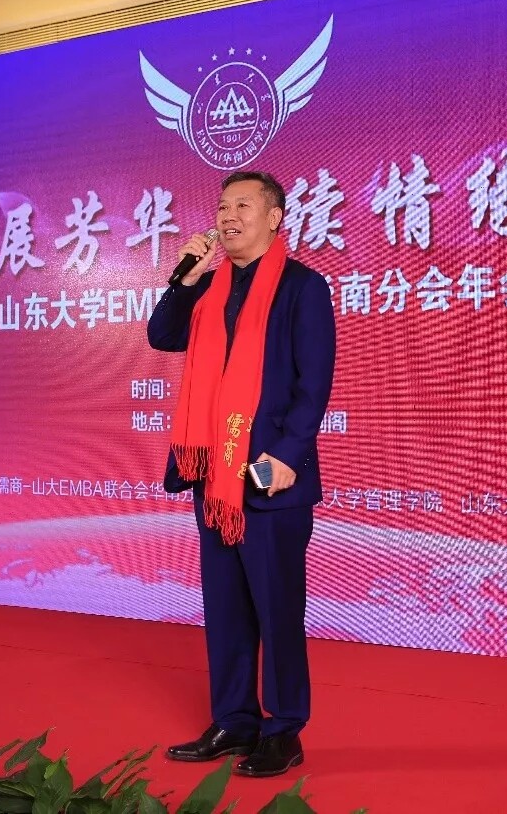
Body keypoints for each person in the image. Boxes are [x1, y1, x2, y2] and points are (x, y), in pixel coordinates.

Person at [147, 171, 335, 778]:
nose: (228, 216)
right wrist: (185, 279)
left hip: (267, 477)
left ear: (274, 217)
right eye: (223, 206)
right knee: (226, 608)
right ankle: (234, 720)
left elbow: (313, 384)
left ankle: (283, 729)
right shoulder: (207, 287)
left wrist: (288, 454)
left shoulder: (303, 288)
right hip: (214, 478)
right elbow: (161, 335)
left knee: (277, 610)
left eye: (243, 206)